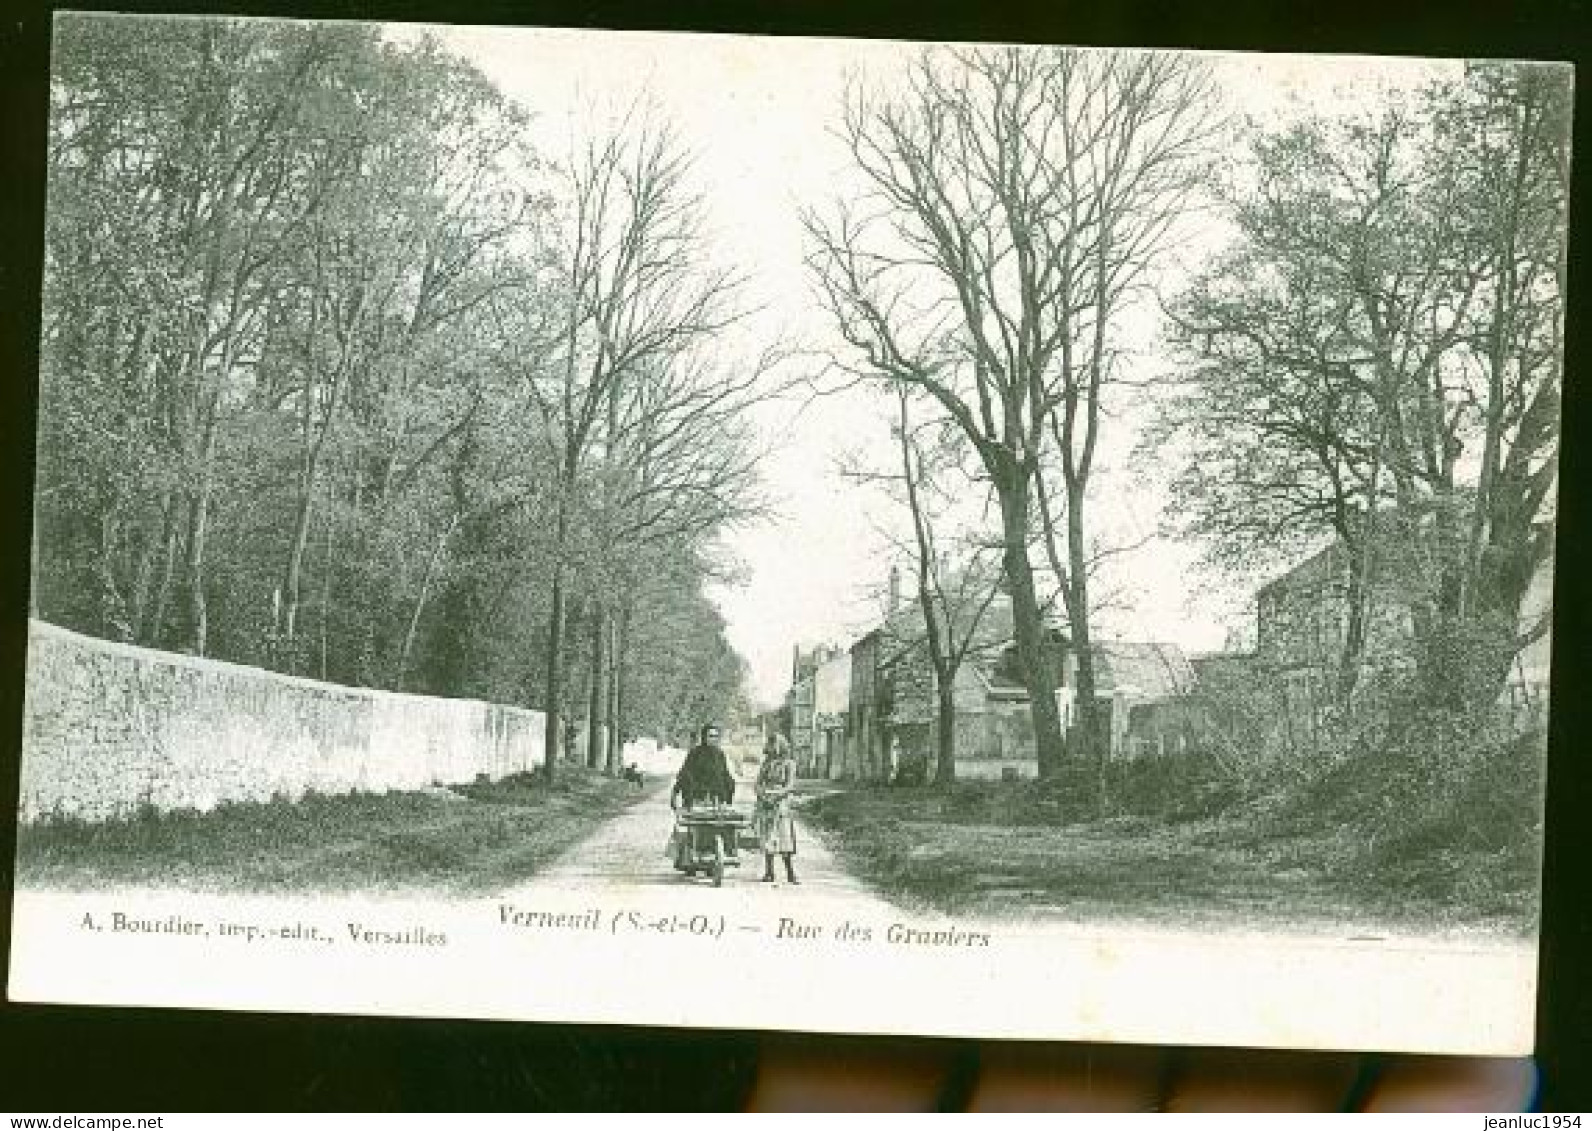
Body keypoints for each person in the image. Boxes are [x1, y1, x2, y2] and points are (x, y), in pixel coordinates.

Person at [755, 732, 799, 884]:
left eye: (774, 744)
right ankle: (769, 872)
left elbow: (790, 786)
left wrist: (775, 794)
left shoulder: (789, 764)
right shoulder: (766, 763)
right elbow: (758, 782)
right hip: (766, 804)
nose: (772, 747)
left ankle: (790, 873)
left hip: (781, 805)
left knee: (785, 838)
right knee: (768, 837)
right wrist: (762, 794)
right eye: (770, 743)